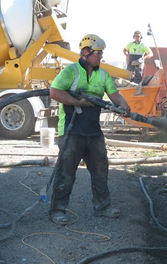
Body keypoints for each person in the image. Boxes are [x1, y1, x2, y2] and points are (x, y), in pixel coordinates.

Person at [48, 34, 131, 225]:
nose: (100, 57)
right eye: (98, 53)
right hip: (72, 131)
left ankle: (103, 206)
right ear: (86, 53)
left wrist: (124, 106)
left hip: (93, 132)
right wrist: (78, 102)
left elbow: (114, 94)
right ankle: (58, 210)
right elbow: (54, 92)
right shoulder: (71, 72)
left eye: (101, 53)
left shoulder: (102, 74)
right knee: (66, 172)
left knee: (101, 169)